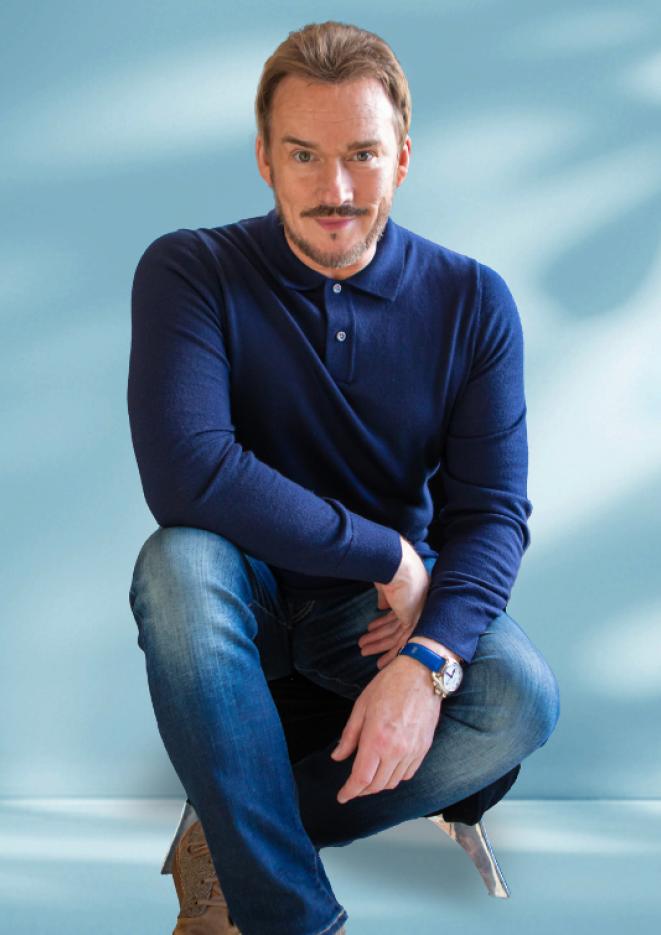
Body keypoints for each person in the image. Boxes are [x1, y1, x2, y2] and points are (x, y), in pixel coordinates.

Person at [127, 19, 560, 935]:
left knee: (519, 699)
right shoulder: (189, 270)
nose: (334, 190)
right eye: (303, 155)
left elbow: (492, 512)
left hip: (366, 625)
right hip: (232, 598)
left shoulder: (472, 300)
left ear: (401, 157)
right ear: (262, 158)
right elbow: (188, 473)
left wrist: (427, 661)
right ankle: (289, 916)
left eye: (361, 154)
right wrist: (391, 552)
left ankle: (236, 838)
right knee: (177, 561)